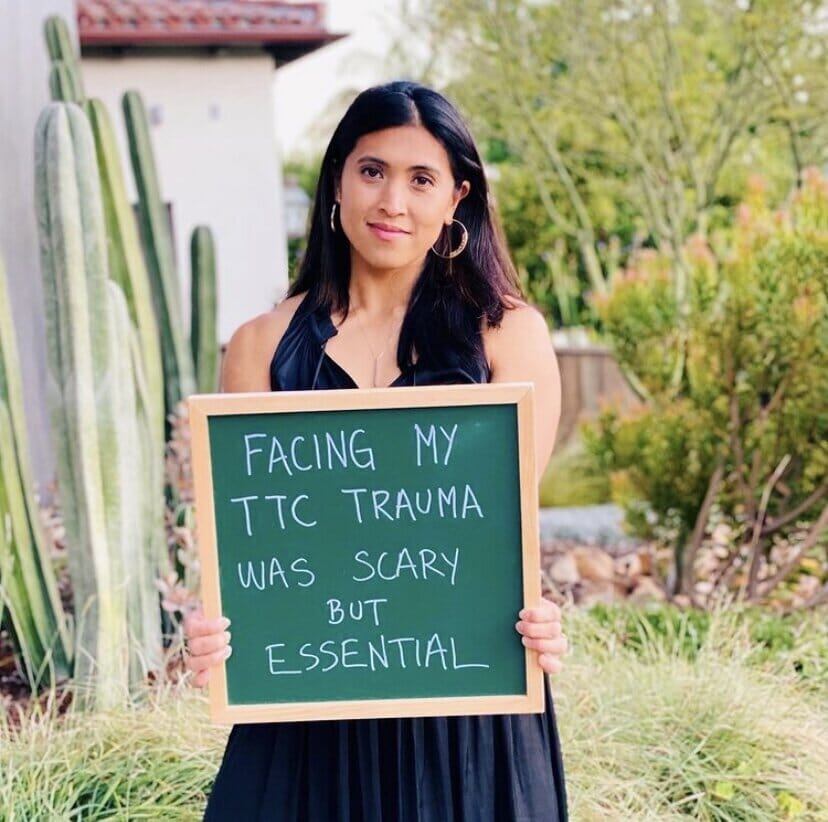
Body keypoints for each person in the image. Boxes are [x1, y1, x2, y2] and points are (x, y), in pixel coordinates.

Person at [184, 81, 569, 821]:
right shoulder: (259, 347)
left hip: (467, 707)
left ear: (456, 199)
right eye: (373, 171)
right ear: (337, 180)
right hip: (306, 712)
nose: (393, 200)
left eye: (421, 179)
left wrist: (541, 614)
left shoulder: (506, 336)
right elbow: (248, 559)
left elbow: (505, 539)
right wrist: (217, 633)